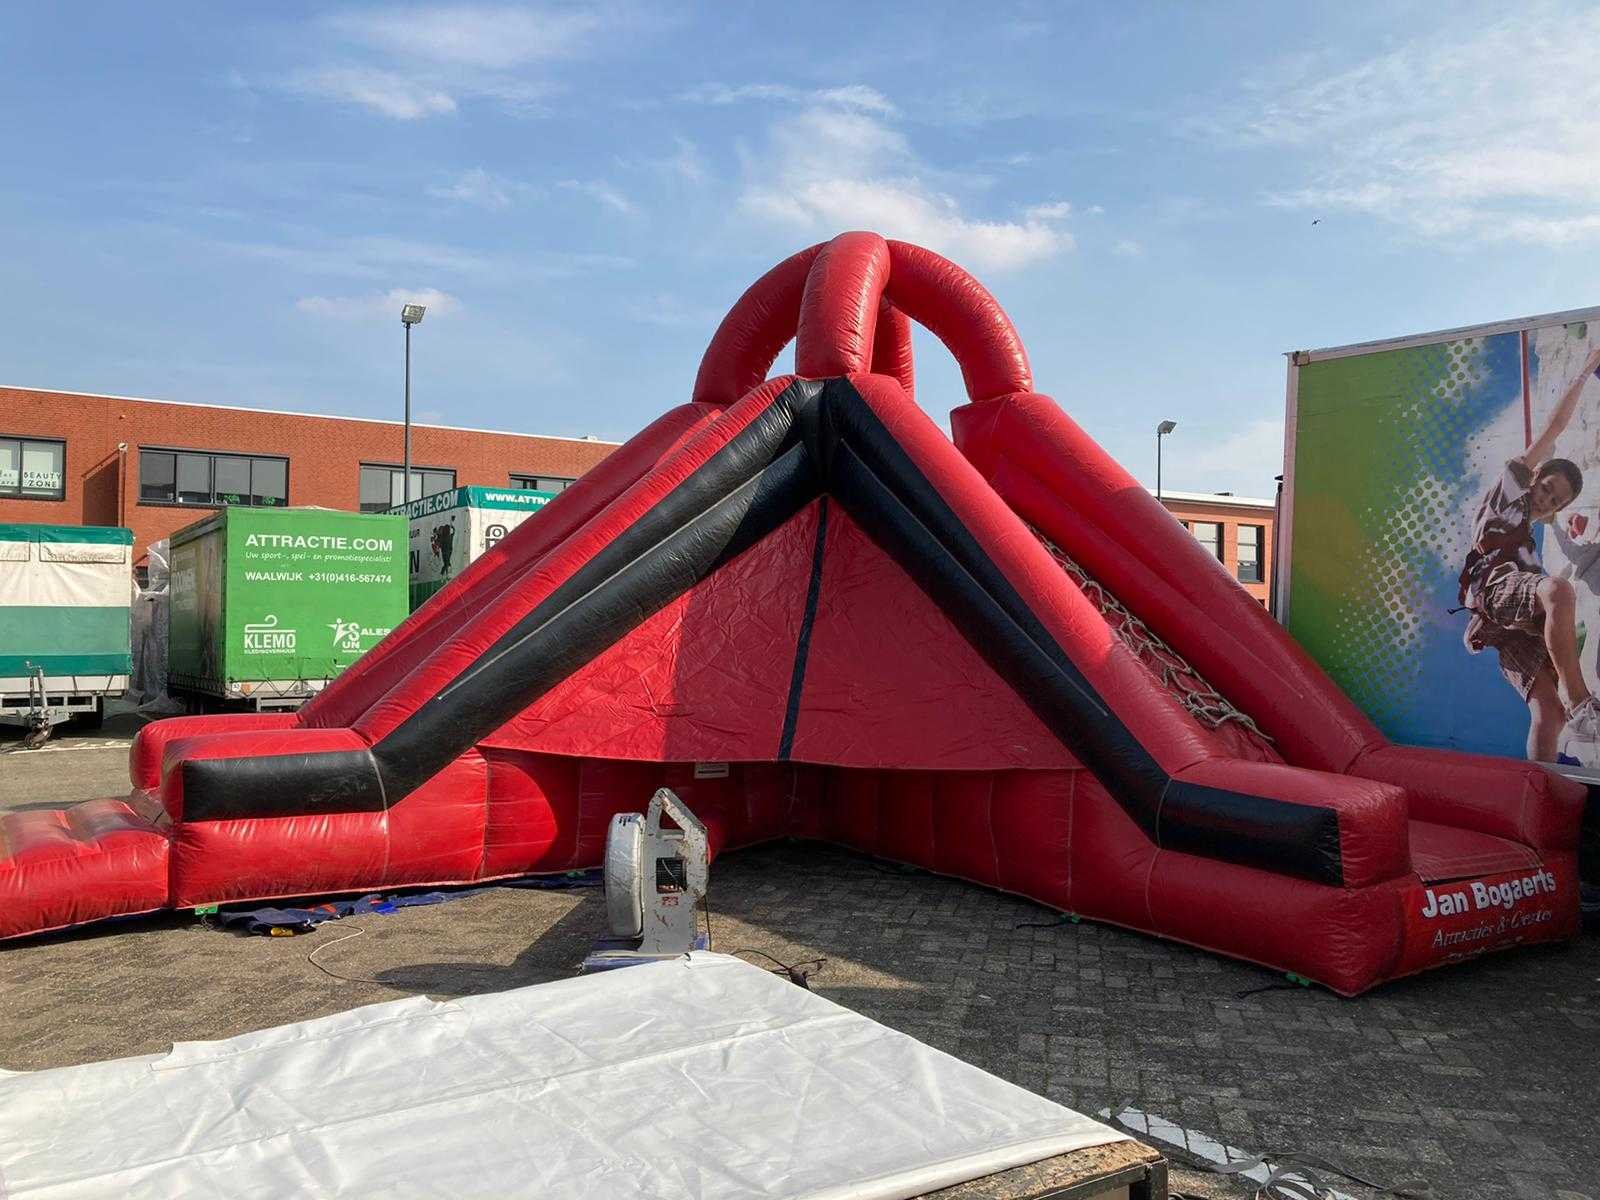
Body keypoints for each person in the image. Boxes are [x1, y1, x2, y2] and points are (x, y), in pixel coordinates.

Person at [1459, 342, 1600, 760]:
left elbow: (1551, 533)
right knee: (1556, 590)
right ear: (1533, 477)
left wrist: (1564, 527)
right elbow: (1554, 429)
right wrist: (1587, 368)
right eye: (1546, 488)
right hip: (1494, 589)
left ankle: (1543, 785)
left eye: (1554, 500)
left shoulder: (1529, 541)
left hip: (1504, 626)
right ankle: (1582, 705)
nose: (1544, 499)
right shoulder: (1509, 491)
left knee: (1547, 714)